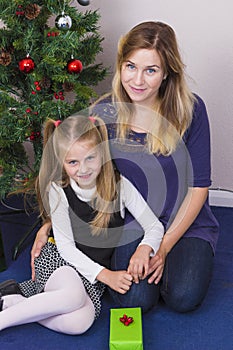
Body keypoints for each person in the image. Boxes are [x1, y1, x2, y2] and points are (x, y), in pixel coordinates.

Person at [25, 21, 219, 313]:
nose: (137, 80)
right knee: (135, 300)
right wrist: (50, 222)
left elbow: (198, 188)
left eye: (150, 70)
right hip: (130, 221)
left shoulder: (191, 111)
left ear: (167, 74)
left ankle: (175, 267)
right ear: (121, 67)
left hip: (183, 223)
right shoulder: (103, 113)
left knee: (184, 297)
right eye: (131, 67)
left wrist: (162, 247)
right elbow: (77, 171)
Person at [0, 115, 164, 334]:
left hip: (90, 275)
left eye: (90, 158)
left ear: (102, 154)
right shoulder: (57, 191)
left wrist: (146, 248)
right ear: (62, 162)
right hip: (61, 262)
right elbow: (66, 248)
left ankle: (15, 303)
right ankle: (5, 320)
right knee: (73, 296)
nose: (83, 169)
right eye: (73, 162)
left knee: (81, 323)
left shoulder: (119, 185)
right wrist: (106, 275)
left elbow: (154, 226)